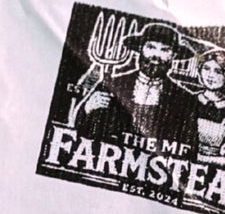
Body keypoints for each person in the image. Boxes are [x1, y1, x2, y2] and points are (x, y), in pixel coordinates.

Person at [74, 21, 200, 149]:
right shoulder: (113, 85)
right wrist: (87, 109)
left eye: (164, 50)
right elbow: (80, 129)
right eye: (151, 47)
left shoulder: (184, 100)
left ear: (173, 56)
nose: (156, 55)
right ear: (140, 49)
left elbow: (189, 145)